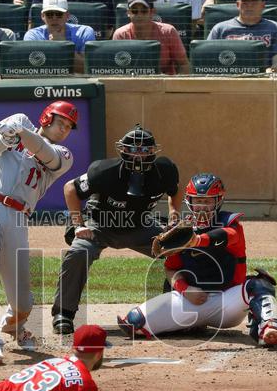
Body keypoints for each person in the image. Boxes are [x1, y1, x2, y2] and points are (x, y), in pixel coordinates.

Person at [0, 101, 78, 365]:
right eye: (61, 123)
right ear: (47, 117)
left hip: (18, 217)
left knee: (23, 300)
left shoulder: (64, 154)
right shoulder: (19, 120)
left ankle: (14, 324)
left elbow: (45, 153)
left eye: (69, 127)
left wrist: (20, 133)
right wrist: (5, 135)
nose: (64, 129)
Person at [117, 173, 277, 347]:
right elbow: (171, 270)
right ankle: (189, 326)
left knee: (259, 284)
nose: (202, 207)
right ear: (189, 201)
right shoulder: (180, 230)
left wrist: (196, 241)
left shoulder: (230, 223)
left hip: (227, 302)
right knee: (133, 322)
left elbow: (227, 236)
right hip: (191, 300)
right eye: (198, 201)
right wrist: (186, 289)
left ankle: (268, 326)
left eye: (207, 201)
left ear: (218, 201)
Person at [51, 124, 183, 335]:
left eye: (144, 150)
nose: (138, 155)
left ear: (153, 152)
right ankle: (63, 313)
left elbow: (175, 191)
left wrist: (174, 212)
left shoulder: (165, 170)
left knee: (176, 249)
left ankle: (174, 310)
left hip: (140, 225)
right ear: (122, 150)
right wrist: (78, 225)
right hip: (100, 223)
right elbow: (70, 188)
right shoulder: (104, 171)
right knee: (78, 252)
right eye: (133, 149)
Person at [206, 0, 277, 71]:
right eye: (245, 1)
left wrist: (271, 71)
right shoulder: (220, 29)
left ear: (263, 5)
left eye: (254, 0)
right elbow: (207, 59)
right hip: (227, 78)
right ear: (238, 5)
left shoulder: (276, 29)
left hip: (263, 79)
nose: (249, 5)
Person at [112, 0, 188, 75]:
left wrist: (174, 85)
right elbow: (116, 69)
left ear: (152, 12)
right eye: (134, 11)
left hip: (164, 84)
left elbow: (183, 64)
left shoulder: (168, 32)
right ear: (128, 13)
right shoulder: (120, 35)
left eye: (144, 11)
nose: (139, 15)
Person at [23, 0, 96, 74]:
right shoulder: (32, 35)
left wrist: (63, 46)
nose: (54, 18)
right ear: (43, 16)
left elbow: (87, 68)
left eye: (59, 14)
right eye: (49, 14)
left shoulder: (84, 32)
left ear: (67, 15)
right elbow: (31, 69)